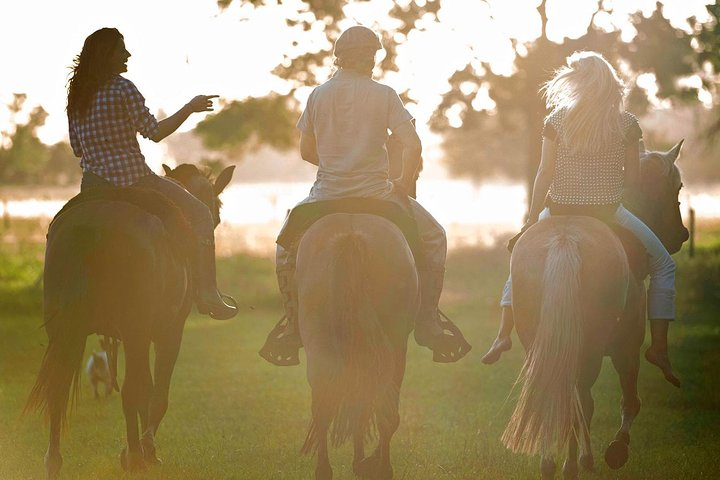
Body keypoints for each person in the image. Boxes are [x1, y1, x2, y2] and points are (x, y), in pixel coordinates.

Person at [259, 25, 471, 366]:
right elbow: (413, 143)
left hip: (324, 196)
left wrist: (333, 162)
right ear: (371, 58)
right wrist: (401, 180)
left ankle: (293, 325)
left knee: (285, 248)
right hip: (377, 195)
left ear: (339, 57)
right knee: (435, 238)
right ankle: (429, 321)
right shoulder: (385, 94)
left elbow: (305, 152)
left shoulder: (318, 95)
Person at [481, 51, 680, 388]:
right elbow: (631, 181)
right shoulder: (627, 124)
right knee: (664, 265)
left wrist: (532, 220)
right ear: (608, 84)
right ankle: (658, 348)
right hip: (608, 211)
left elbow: (544, 173)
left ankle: (503, 334)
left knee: (520, 255)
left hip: (557, 209)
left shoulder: (556, 120)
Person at [66, 27, 237, 320]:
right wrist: (189, 108)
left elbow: (77, 149)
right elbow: (155, 133)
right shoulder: (123, 88)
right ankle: (208, 293)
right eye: (121, 50)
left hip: (92, 187)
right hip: (134, 180)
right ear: (107, 55)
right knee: (200, 215)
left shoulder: (77, 94)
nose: (128, 54)